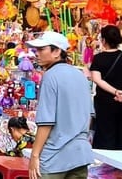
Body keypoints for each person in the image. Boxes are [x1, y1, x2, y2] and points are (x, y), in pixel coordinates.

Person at [26, 31, 93, 179]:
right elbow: (89, 116)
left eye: (42, 49)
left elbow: (46, 122)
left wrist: (35, 155)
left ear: (56, 52)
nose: (37, 54)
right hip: (80, 155)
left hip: (54, 158)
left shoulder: (50, 77)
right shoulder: (80, 75)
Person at [90, 24, 122, 150]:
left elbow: (97, 79)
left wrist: (115, 92)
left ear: (103, 41)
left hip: (106, 102)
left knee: (106, 136)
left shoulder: (98, 59)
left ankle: (106, 167)